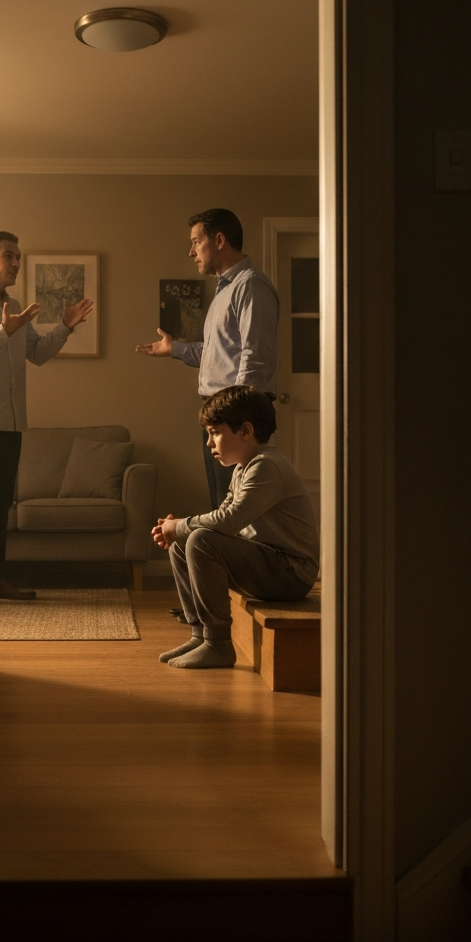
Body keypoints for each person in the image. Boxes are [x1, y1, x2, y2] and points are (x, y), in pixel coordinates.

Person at [0, 231, 93, 606]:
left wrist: (66, 326)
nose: (15, 263)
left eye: (18, 257)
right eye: (8, 256)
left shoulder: (16, 306)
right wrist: (1, 331)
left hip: (10, 422)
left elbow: (37, 354)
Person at [151, 386, 319, 669]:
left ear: (245, 431)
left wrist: (180, 524)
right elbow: (224, 516)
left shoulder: (267, 467)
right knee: (184, 542)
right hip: (267, 563)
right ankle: (201, 634)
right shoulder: (244, 467)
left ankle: (218, 644)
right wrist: (179, 530)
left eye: (215, 432)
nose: (209, 443)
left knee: (198, 538)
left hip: (290, 573)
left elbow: (228, 521)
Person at [136, 208, 279, 510]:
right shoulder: (224, 292)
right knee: (221, 508)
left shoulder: (250, 286)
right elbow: (218, 353)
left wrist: (237, 422)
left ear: (219, 240)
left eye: (195, 242)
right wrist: (174, 349)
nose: (191, 252)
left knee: (237, 513)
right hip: (219, 417)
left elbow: (255, 359)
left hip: (235, 419)